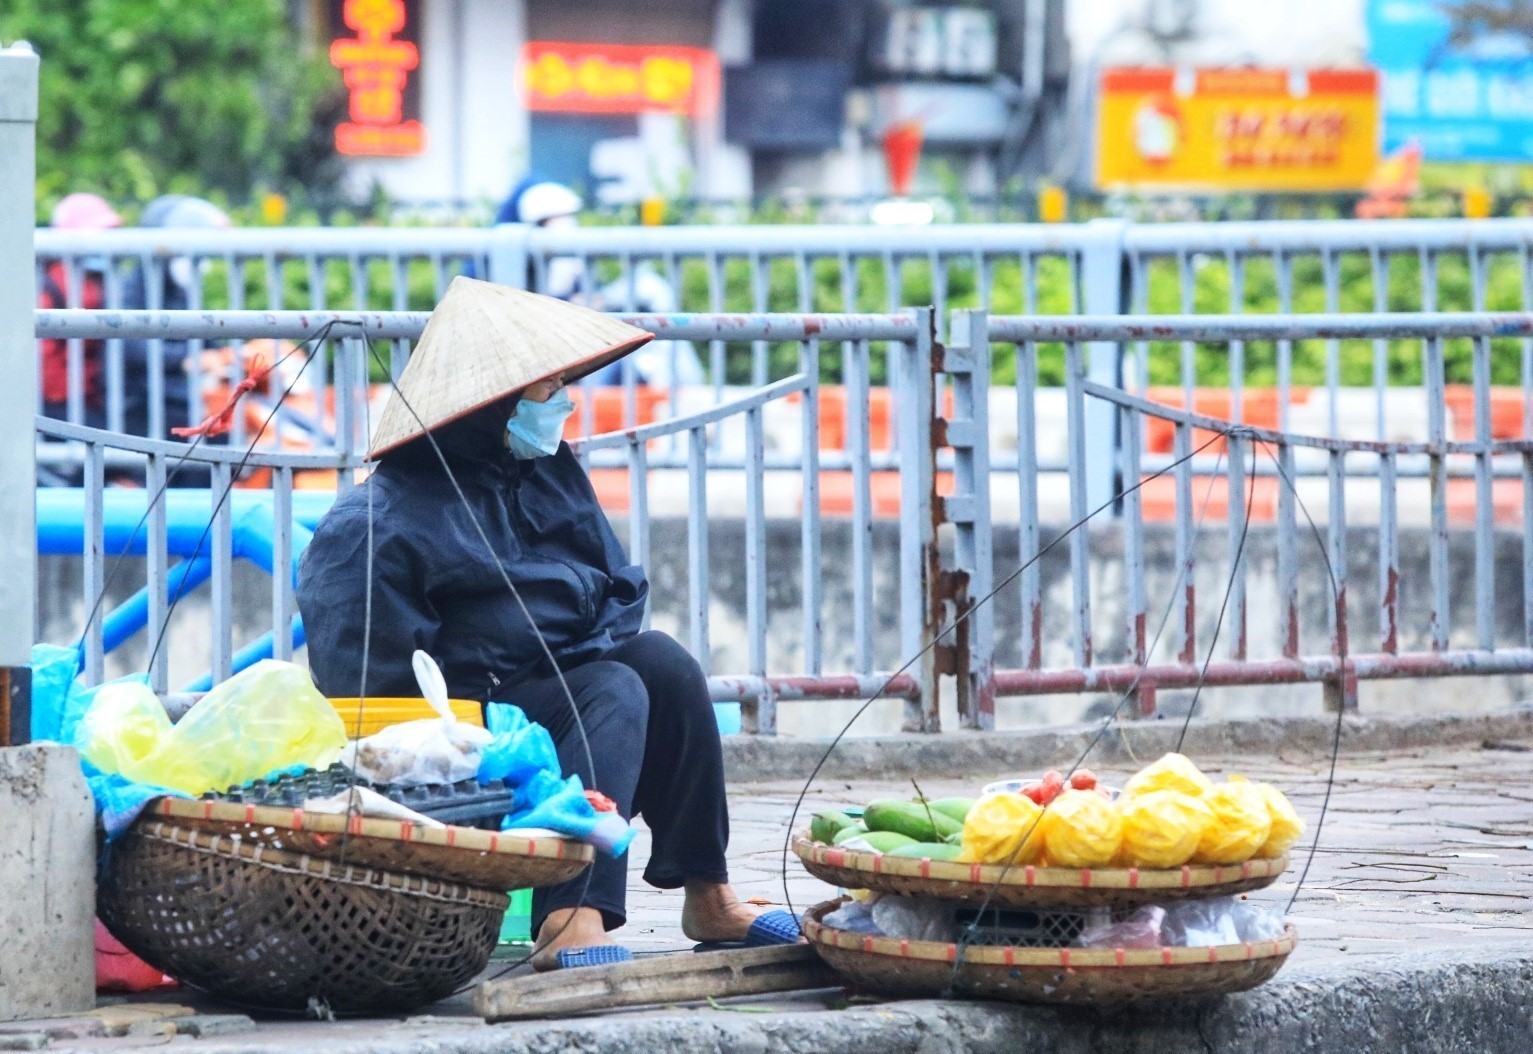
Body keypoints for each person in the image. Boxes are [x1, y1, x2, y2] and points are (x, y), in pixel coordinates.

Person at [296, 277, 798, 971]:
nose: (562, 401)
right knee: (611, 693)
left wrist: (574, 646)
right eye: (547, 388)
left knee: (663, 665)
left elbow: (613, 585)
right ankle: (570, 917)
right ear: (492, 407)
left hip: (557, 684)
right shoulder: (373, 525)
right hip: (463, 735)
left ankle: (707, 892)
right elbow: (370, 688)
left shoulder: (543, 472)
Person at [118, 195, 231, 439]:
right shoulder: (133, 288)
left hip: (174, 390)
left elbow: (202, 333)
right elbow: (131, 346)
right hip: (141, 397)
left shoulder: (178, 286)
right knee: (216, 426)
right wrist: (184, 360)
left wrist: (228, 355)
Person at [39, 193, 122, 429]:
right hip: (62, 401)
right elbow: (45, 364)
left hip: (91, 397)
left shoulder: (100, 279)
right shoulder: (56, 282)